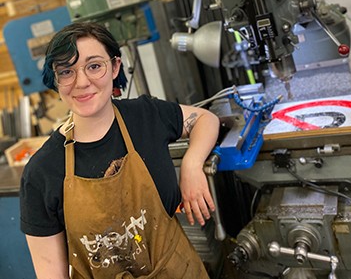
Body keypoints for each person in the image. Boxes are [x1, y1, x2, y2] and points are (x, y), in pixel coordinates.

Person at [19, 21, 220, 278]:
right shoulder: (41, 172)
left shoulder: (146, 115)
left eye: (94, 66)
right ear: (56, 81)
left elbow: (205, 119)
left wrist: (192, 165)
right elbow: (50, 273)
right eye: (67, 71)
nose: (81, 82)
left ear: (115, 67)